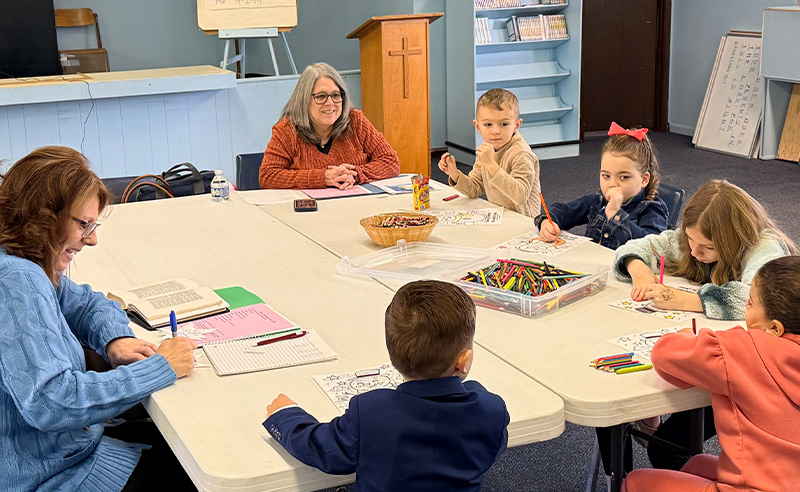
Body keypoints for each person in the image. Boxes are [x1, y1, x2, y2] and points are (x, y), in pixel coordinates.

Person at [0, 146, 198, 491]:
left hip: (70, 453)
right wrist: (162, 367)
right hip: (56, 476)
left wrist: (115, 339)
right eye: (84, 224)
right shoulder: (17, 280)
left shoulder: (26, 262)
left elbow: (88, 304)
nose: (91, 239)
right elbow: (51, 401)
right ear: (43, 215)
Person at [613, 178, 796, 472]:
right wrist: (638, 267)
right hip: (727, 363)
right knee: (668, 444)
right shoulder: (695, 239)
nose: (695, 252)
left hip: (748, 372)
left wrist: (685, 299)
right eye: (690, 240)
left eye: (708, 247)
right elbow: (637, 246)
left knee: (667, 448)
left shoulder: (764, 247)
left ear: (731, 239)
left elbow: (750, 298)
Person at [263, 280, 509, 491]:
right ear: (463, 360)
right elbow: (490, 445)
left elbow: (321, 448)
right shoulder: (491, 411)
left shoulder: (371, 411)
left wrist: (285, 415)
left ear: (394, 354)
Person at [622, 255, 800, 492]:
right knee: (696, 463)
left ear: (774, 328)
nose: (745, 307)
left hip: (751, 487)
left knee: (635, 481)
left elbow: (664, 355)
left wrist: (688, 337)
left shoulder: (744, 349)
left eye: (750, 303)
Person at [259, 62, 400, 190]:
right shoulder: (287, 130)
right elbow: (268, 175)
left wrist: (354, 174)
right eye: (321, 96)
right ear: (304, 100)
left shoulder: (356, 121)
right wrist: (322, 178)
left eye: (336, 95)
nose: (330, 103)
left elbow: (390, 161)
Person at [535, 122, 669, 249]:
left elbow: (651, 247)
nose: (612, 184)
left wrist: (616, 215)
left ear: (644, 180)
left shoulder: (653, 209)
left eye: (624, 177)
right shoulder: (598, 201)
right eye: (606, 176)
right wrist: (547, 222)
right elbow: (564, 210)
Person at [438, 88, 541, 217]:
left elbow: (520, 196)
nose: (495, 131)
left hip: (524, 221)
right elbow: (474, 188)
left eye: (504, 124)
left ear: (516, 125)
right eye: (488, 125)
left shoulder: (521, 154)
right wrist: (454, 174)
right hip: (501, 216)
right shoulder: (487, 150)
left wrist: (491, 165)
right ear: (478, 127)